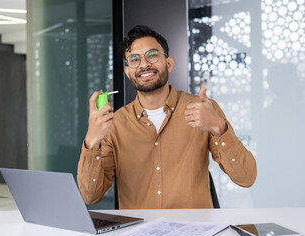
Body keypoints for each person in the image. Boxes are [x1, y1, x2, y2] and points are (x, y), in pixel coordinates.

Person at [77, 25, 257, 209]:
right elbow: (90, 196)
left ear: (169, 63)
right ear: (128, 71)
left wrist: (219, 128)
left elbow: (246, 178)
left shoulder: (203, 109)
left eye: (152, 55)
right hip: (140, 234)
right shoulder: (115, 123)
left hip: (195, 233)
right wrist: (92, 141)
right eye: (134, 59)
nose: (144, 64)